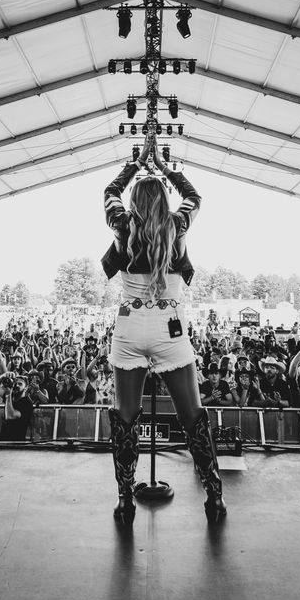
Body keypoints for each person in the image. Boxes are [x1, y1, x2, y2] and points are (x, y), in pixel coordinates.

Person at [101, 142, 223, 520]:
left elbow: (109, 192)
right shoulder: (177, 224)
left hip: (130, 325)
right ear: (164, 200)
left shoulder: (122, 224)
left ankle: (125, 499)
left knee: (125, 417)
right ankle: (214, 496)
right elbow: (194, 197)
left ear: (134, 201)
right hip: (170, 326)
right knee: (192, 415)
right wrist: (167, 169)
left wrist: (135, 165)